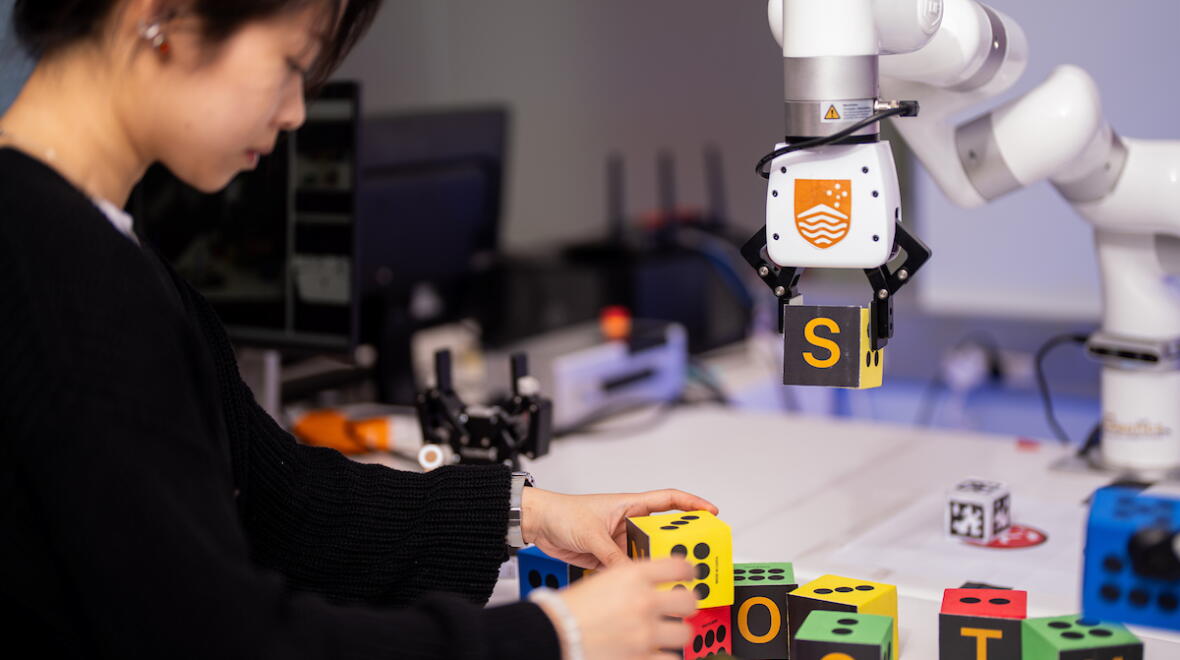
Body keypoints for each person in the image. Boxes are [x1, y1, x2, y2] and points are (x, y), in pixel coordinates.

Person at [0, 1, 715, 658]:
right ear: (160, 16)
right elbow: (221, 638)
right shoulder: (51, 270)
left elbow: (279, 504)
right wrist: (559, 634)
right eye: (292, 66)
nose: (295, 113)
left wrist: (527, 514)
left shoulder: (96, 245)